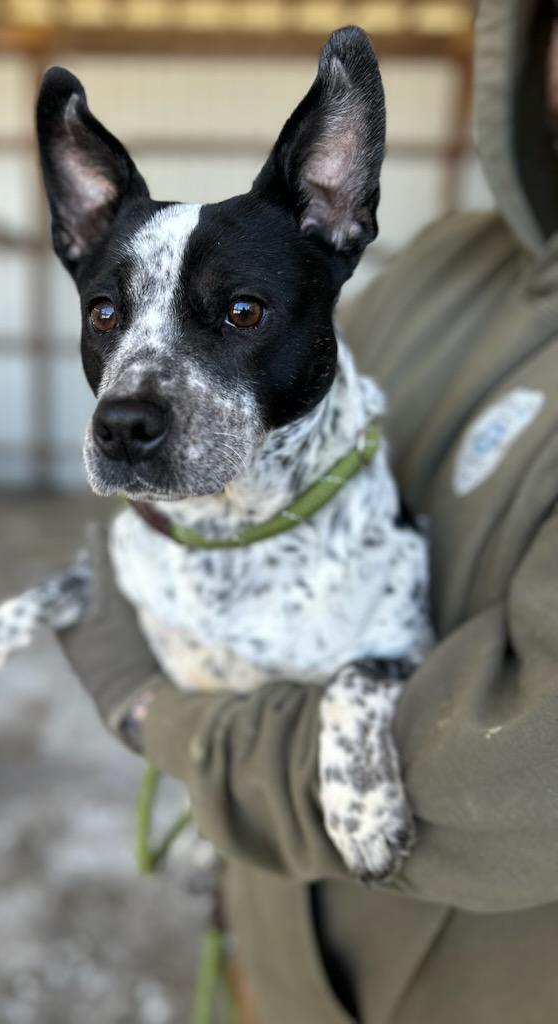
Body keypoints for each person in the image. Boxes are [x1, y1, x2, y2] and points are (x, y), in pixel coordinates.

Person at [58, 0, 558, 1019]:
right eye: (111, 316)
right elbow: (133, 542)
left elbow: (510, 791)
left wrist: (166, 720)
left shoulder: (327, 262)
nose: (131, 400)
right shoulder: (447, 262)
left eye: (239, 314)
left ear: (338, 209)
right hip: (267, 934)